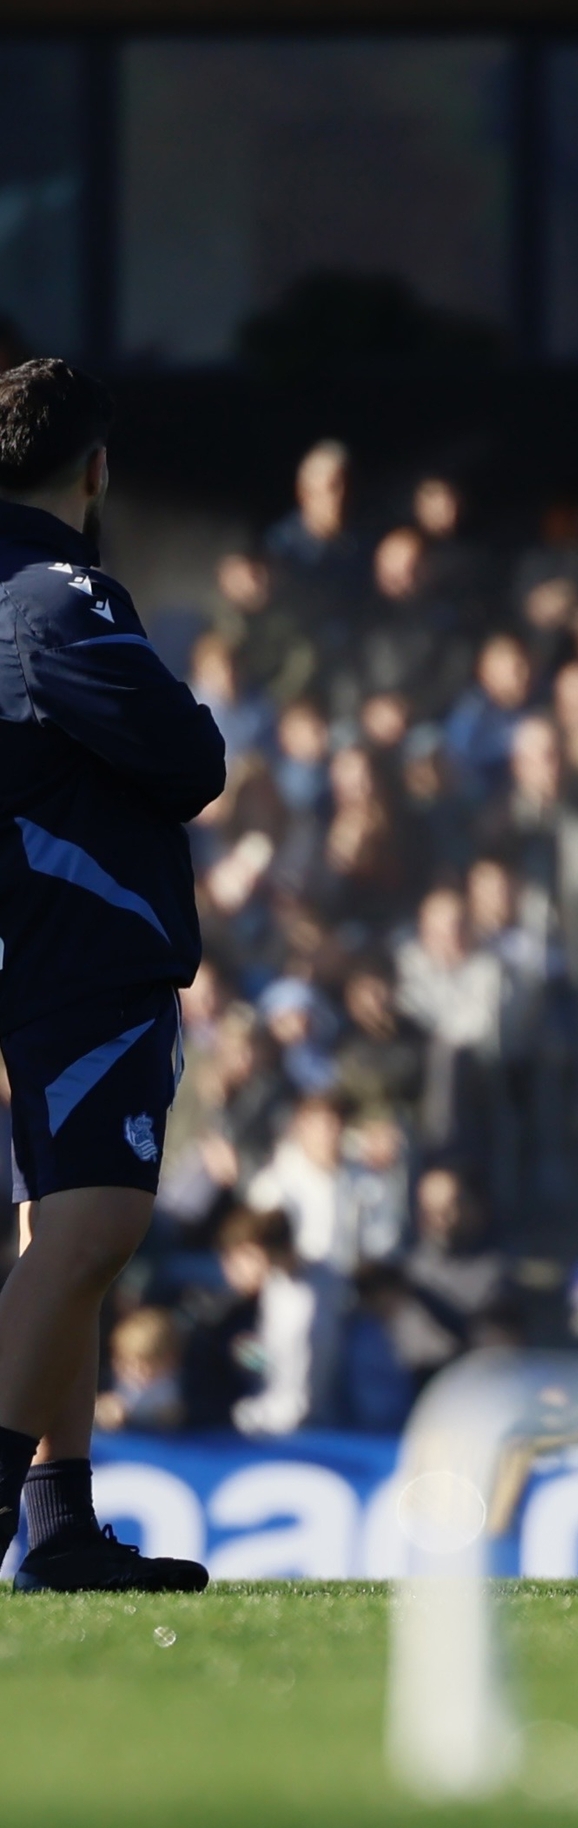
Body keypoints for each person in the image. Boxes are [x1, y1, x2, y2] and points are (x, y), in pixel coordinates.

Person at [0, 358, 227, 1589]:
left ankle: (59, 1526)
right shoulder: (54, 591)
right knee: (95, 1222)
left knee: (57, 1225)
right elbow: (187, 756)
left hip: (29, 939)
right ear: (94, 471)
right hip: (79, 941)